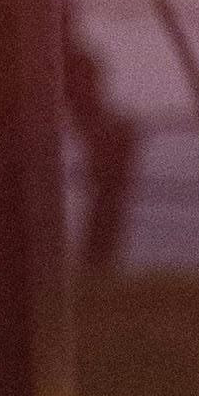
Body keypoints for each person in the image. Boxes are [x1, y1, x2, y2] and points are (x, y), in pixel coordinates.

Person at [64, 18, 145, 276]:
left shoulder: (77, 62)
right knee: (106, 199)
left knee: (108, 200)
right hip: (101, 147)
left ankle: (97, 261)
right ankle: (95, 261)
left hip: (103, 147)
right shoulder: (69, 64)